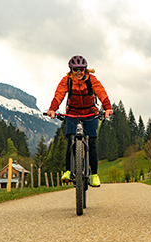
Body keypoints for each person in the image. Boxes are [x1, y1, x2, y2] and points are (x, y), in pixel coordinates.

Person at [47, 55, 113, 187]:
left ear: (85, 69)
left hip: (90, 112)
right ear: (71, 70)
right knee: (71, 140)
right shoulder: (66, 80)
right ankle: (68, 171)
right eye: (75, 69)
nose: (78, 72)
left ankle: (94, 175)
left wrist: (108, 108)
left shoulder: (92, 79)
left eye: (81, 69)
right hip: (72, 112)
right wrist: (52, 109)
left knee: (92, 143)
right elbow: (59, 94)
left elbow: (101, 93)